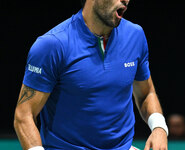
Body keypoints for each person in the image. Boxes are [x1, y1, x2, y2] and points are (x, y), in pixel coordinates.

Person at [14, 0, 168, 150]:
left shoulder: (135, 35)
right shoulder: (52, 45)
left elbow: (146, 93)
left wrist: (159, 128)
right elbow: (24, 116)